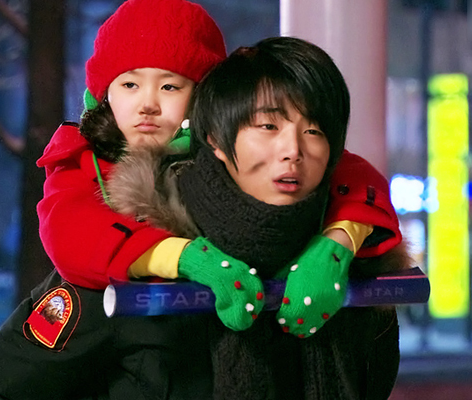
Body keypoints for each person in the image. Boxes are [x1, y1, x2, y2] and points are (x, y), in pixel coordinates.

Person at [36, 0, 402, 334]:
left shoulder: (229, 147)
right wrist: (184, 257)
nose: (147, 104)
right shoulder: (80, 158)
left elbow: (351, 176)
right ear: (102, 95)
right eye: (130, 85)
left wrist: (336, 244)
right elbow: (70, 232)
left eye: (169, 87)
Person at [107, 36, 409, 399]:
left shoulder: (358, 275)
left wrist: (341, 239)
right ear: (215, 138)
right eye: (268, 126)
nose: (293, 150)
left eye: (314, 131)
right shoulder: (131, 249)